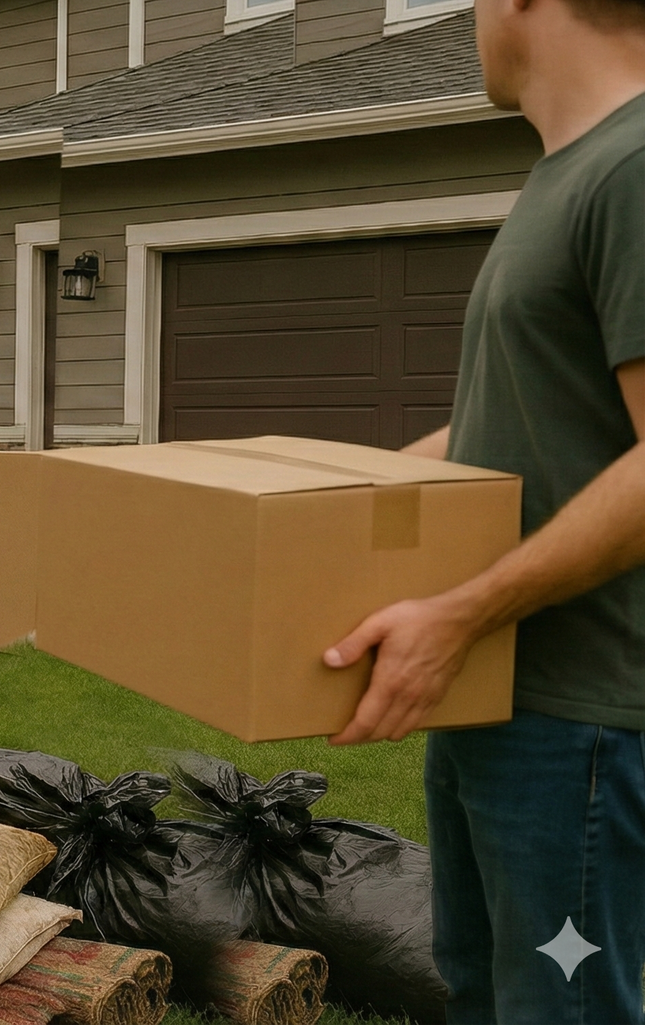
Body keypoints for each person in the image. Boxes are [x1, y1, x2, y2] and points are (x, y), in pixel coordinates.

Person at [320, 0, 645, 1019]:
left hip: (580, 718)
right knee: (478, 988)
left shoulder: (633, 168)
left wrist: (465, 610)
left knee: (563, 1007)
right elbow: (497, 435)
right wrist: (296, 486)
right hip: (495, 698)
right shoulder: (569, 174)